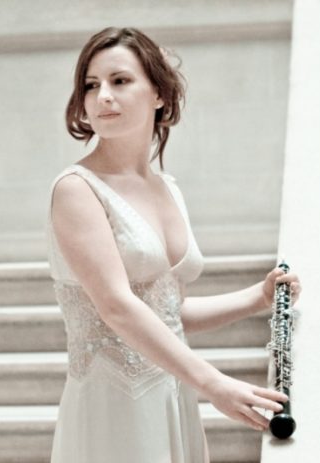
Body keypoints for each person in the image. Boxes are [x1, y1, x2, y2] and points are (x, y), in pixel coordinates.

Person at [46, 27, 301, 463]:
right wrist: (214, 383)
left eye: (120, 81)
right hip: (113, 405)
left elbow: (169, 313)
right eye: (90, 85)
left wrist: (257, 297)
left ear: (159, 94)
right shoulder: (76, 189)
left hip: (173, 392)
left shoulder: (167, 188)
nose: (102, 96)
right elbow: (117, 306)